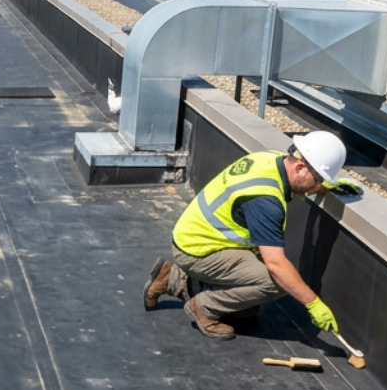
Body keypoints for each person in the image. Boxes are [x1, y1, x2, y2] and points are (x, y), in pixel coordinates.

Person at [144, 130, 352, 341]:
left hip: (197, 238)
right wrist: (313, 302)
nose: (316, 188)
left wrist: (324, 186)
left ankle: (173, 280)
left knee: (245, 313)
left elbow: (299, 183)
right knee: (278, 283)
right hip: (198, 251)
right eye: (317, 180)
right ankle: (203, 308)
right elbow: (276, 265)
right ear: (300, 168)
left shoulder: (272, 159)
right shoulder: (265, 200)